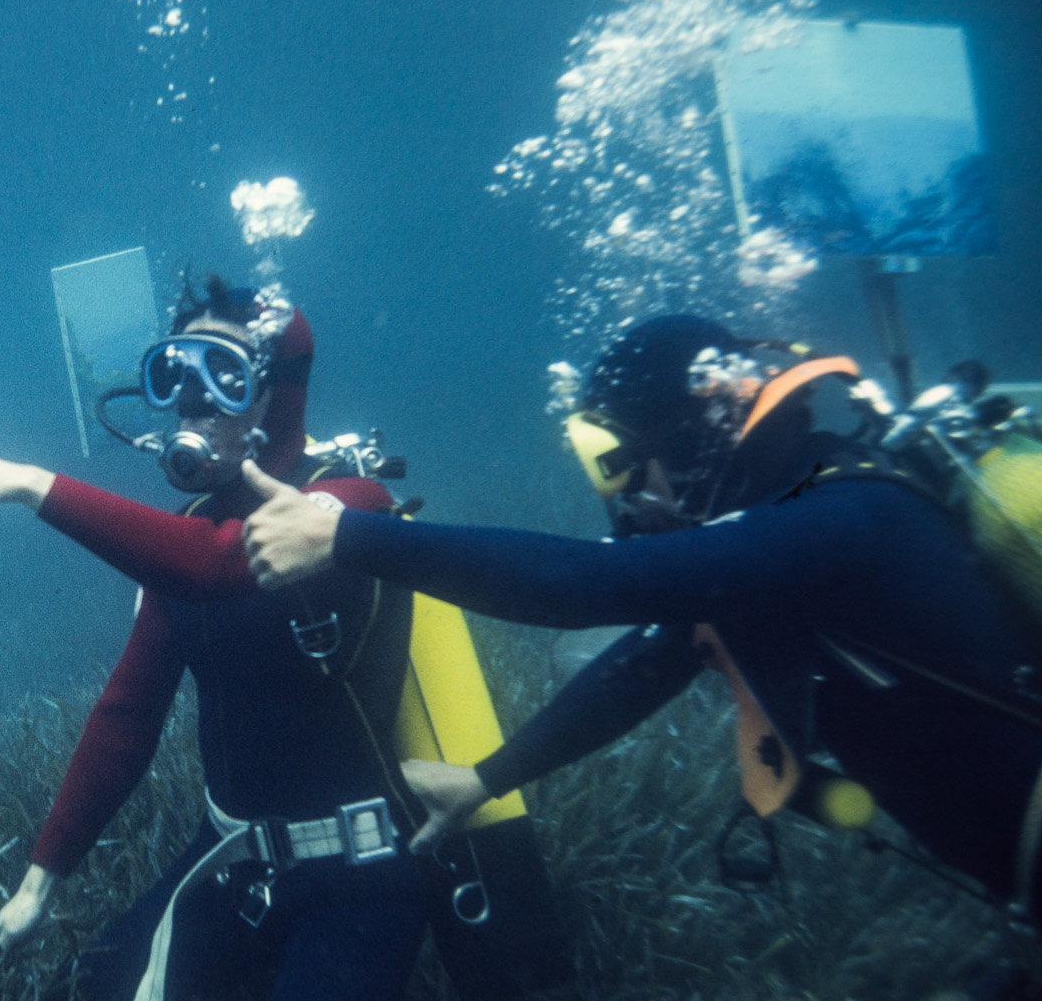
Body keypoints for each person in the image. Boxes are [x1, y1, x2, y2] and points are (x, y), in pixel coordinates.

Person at [0, 279, 562, 1001]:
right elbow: (128, 714)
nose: (193, 399)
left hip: (362, 883)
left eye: (223, 373)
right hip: (237, 864)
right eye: (172, 374)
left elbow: (214, 569)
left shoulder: (348, 507)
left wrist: (30, 482)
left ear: (276, 394)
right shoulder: (178, 541)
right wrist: (40, 880)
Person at [241, 314, 1042, 914]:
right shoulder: (778, 527)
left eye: (617, 462)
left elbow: (593, 586)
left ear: (693, 437)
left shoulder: (836, 515)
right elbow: (649, 662)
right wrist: (486, 780)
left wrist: (347, 535)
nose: (619, 496)